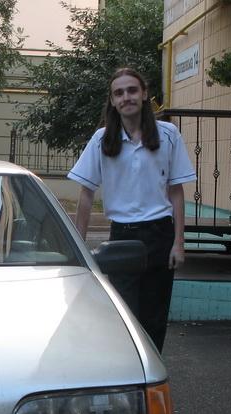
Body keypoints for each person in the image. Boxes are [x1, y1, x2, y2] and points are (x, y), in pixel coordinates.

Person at [68, 67, 196, 353]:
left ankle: (152, 373)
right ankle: (130, 372)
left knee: (155, 317)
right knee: (124, 318)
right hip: (122, 239)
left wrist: (178, 243)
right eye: (119, 93)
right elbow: (86, 194)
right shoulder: (102, 140)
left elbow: (176, 191)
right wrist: (78, 246)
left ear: (144, 94)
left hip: (160, 235)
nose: (126, 97)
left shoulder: (168, 134)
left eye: (132, 90)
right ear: (113, 101)